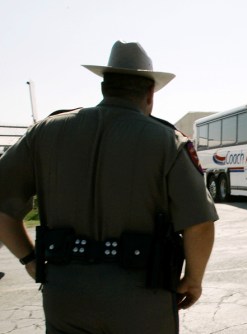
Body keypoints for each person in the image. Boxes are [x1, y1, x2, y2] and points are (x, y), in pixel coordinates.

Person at [0, 41, 218, 333]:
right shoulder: (168, 141)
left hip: (65, 294)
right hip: (143, 296)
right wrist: (193, 280)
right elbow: (199, 224)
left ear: (105, 86)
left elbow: (2, 206)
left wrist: (30, 259)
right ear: (150, 94)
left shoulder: (44, 132)